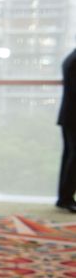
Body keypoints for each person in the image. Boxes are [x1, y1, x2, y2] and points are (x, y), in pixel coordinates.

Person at [57, 41, 76, 212]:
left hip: (70, 116)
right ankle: (66, 198)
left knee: (70, 157)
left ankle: (64, 197)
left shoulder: (71, 57)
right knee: (73, 159)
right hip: (73, 117)